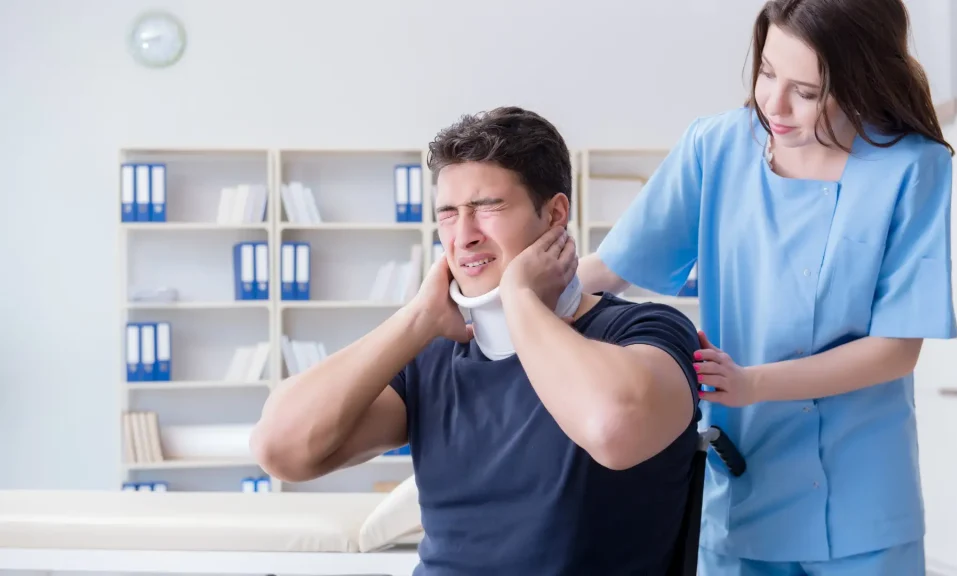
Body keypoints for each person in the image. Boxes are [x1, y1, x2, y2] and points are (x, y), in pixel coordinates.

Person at [577, 0, 957, 574]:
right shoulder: (715, 148)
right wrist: (506, 303)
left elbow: (897, 348)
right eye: (767, 71)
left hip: (864, 502)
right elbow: (609, 268)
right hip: (743, 489)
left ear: (863, 79)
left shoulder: (913, 167)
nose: (772, 104)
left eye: (805, 91)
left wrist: (754, 383)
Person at [250, 106, 704, 575]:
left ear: (555, 215)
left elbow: (614, 430)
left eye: (488, 207)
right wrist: (419, 317)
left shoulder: (647, 332)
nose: (463, 236)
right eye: (448, 214)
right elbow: (280, 450)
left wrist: (521, 298)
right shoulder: (432, 353)